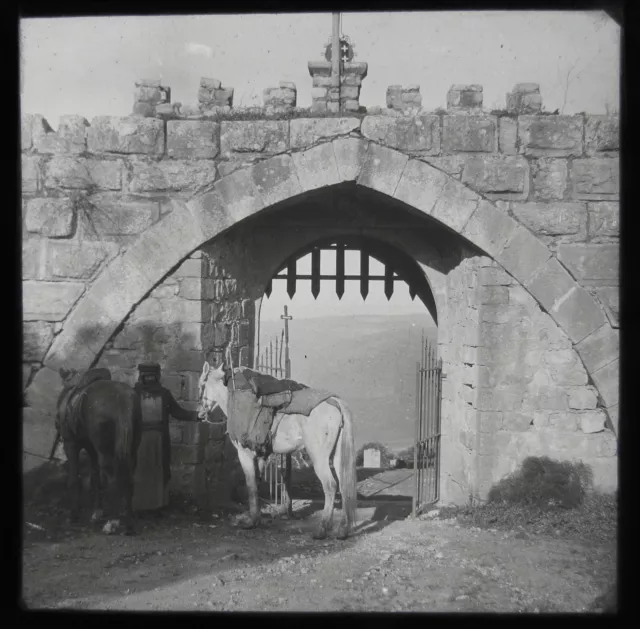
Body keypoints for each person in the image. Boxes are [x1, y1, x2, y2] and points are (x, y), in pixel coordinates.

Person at [133, 362, 200, 512]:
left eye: (152, 376)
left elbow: (178, 412)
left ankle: (157, 507)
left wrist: (197, 416)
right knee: (141, 470)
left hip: (159, 440)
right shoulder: (134, 394)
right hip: (139, 441)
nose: (150, 379)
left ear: (156, 377)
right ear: (142, 377)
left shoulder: (164, 394)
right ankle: (140, 507)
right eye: (147, 376)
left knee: (158, 471)